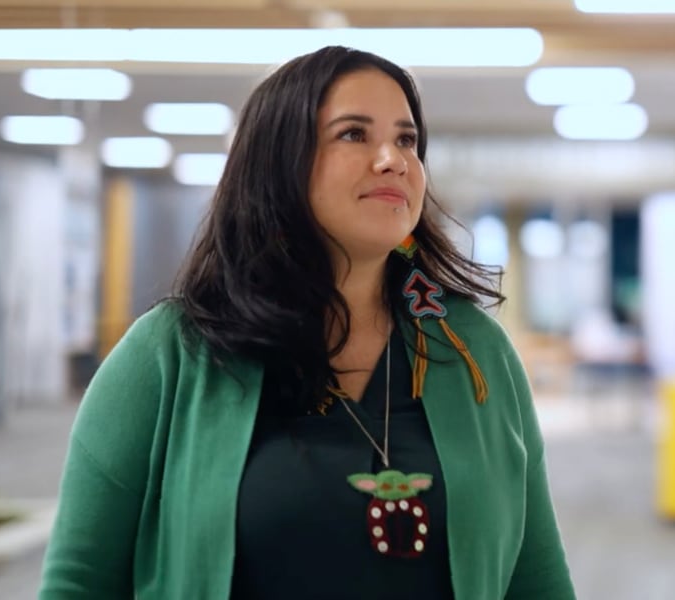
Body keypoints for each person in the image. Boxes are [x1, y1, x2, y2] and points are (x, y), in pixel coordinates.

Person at [39, 45, 576, 599]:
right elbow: (79, 583)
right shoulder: (170, 355)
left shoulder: (473, 351)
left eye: (407, 140)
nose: (393, 159)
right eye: (354, 134)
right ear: (278, 163)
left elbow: (536, 581)